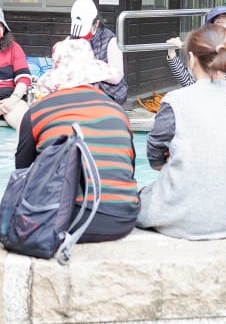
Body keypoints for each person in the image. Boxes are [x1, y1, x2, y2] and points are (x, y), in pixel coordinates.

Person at [138, 24, 226, 239]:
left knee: (137, 196)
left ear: (192, 59)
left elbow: (154, 154)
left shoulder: (176, 101)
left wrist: (172, 161)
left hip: (185, 219)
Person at [15, 38, 139, 242]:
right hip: (120, 221)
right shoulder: (118, 112)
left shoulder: (37, 112)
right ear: (94, 76)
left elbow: (22, 174)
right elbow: (128, 169)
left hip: (56, 220)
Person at [69, 0, 127, 108]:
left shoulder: (110, 41)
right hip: (82, 93)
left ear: (96, 23)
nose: (82, 36)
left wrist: (90, 69)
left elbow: (117, 77)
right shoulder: (73, 38)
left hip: (109, 95)